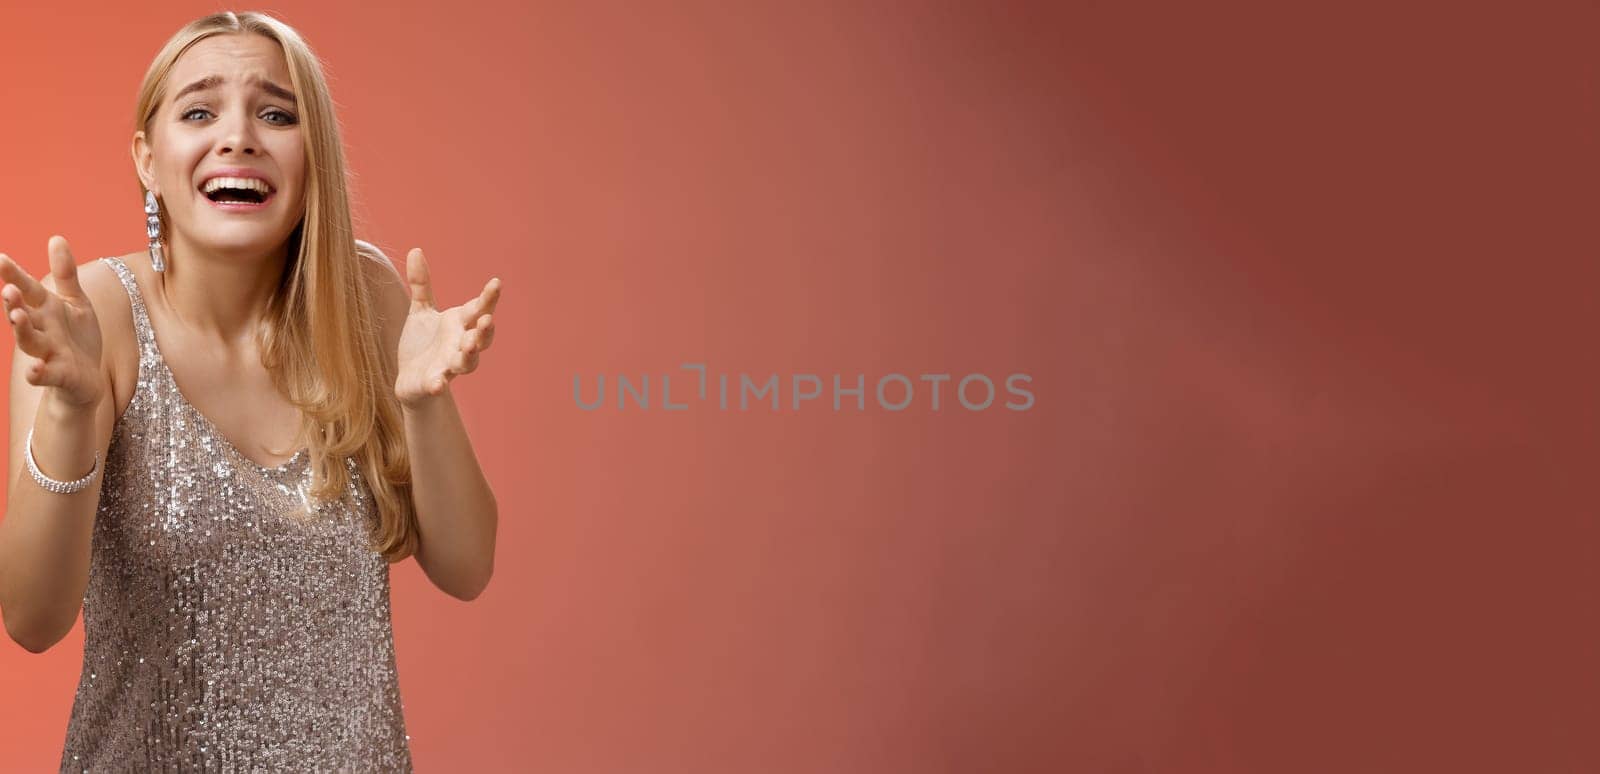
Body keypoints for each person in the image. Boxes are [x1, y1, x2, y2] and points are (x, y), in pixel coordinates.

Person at [0, 11, 502, 770]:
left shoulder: (365, 298)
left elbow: (466, 568)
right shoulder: (93, 317)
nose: (238, 136)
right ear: (147, 157)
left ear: (315, 155)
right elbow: (32, 619)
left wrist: (423, 404)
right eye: (199, 111)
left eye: (277, 113)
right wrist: (71, 410)